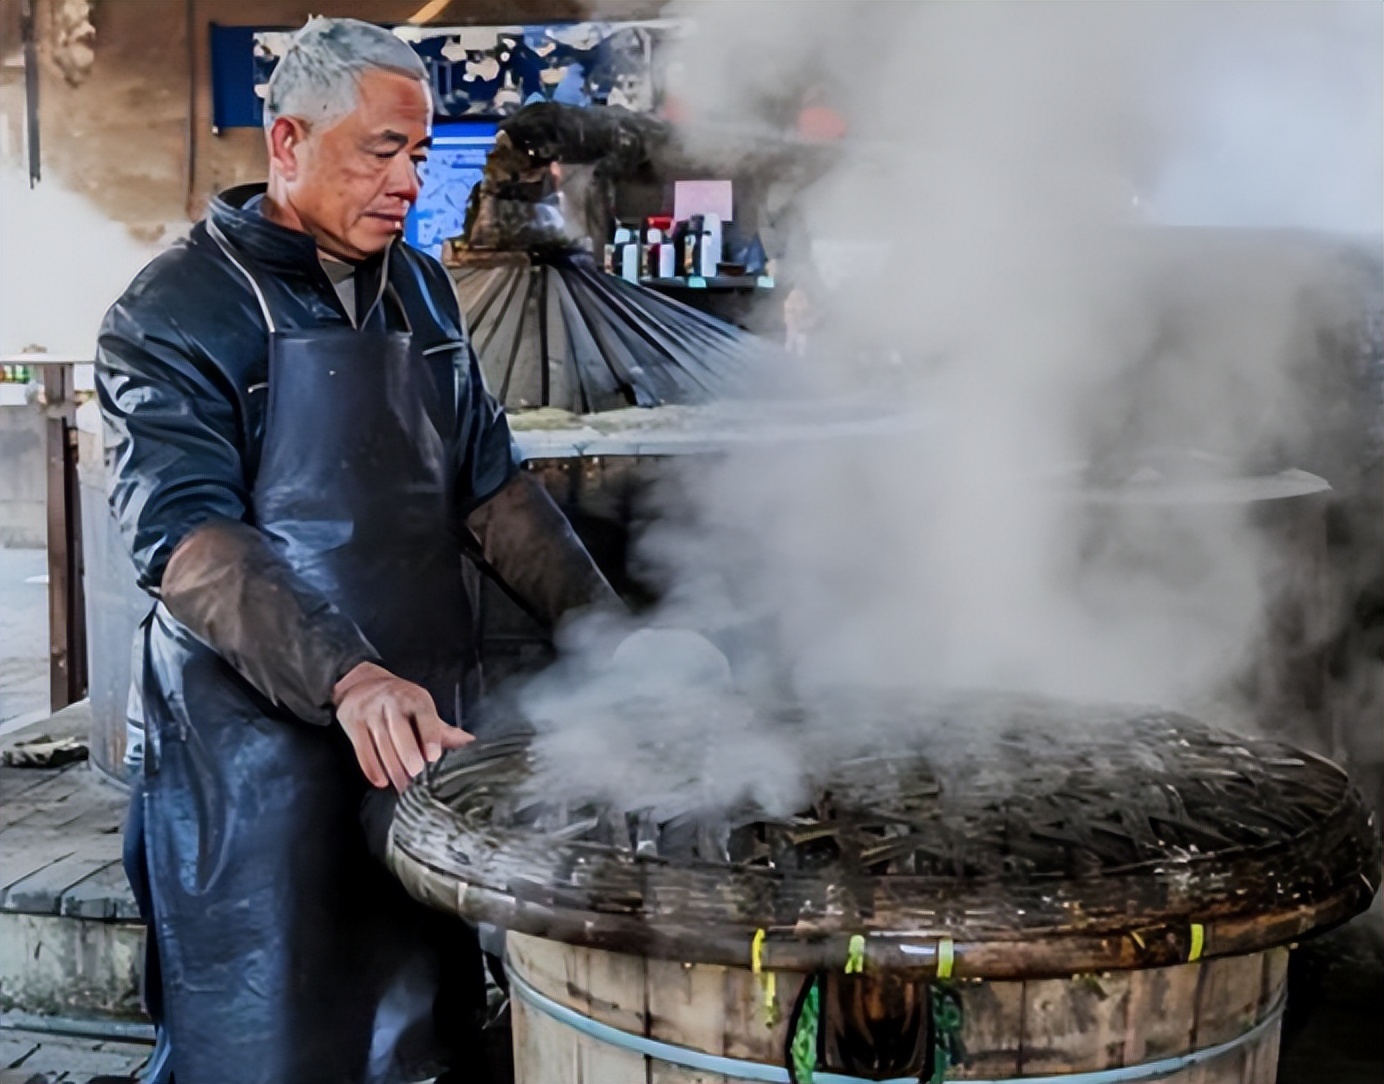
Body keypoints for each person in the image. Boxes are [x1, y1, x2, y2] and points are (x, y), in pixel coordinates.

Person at [97, 18, 621, 1083]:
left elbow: (490, 489)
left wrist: (611, 632)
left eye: (419, 154)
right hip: (254, 756)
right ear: (286, 144)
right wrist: (347, 675)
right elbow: (188, 540)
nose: (406, 179)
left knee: (417, 1030)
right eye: (381, 149)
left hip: (416, 733)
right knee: (267, 1036)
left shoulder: (421, 291)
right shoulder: (174, 310)